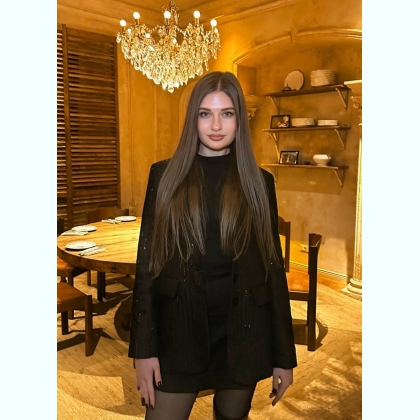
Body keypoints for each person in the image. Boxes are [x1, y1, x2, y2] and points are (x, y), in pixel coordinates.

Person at [129, 71, 297, 420]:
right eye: (205, 113)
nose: (216, 125)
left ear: (240, 120)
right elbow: (147, 269)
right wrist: (143, 350)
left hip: (243, 333)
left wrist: (284, 356)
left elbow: (273, 271)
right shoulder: (164, 176)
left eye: (227, 113)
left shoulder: (260, 182)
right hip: (178, 332)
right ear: (193, 118)